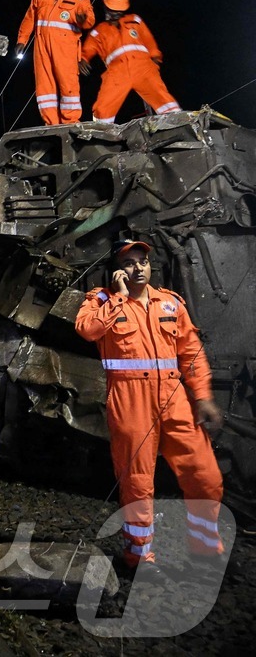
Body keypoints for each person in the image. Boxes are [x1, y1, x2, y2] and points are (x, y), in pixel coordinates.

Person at [74, 238, 225, 571]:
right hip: (130, 401)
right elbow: (87, 330)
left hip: (175, 400)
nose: (138, 267)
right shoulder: (100, 302)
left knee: (206, 477)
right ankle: (139, 557)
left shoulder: (170, 304)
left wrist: (202, 396)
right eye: (129, 263)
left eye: (142, 261)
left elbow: (191, 353)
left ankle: (204, 549)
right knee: (138, 483)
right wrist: (120, 299)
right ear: (116, 270)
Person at [80, 0, 182, 123]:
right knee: (104, 105)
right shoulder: (98, 31)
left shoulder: (135, 20)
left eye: (118, 11)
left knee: (161, 96)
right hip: (117, 71)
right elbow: (87, 49)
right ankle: (101, 131)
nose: (115, 14)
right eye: (112, 10)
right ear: (105, 6)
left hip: (143, 66)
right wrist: (82, 59)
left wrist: (155, 57)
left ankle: (178, 123)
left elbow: (148, 40)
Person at [16, 0, 95, 125]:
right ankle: (51, 124)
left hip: (66, 48)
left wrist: (82, 19)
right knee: (45, 88)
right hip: (41, 47)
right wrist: (22, 40)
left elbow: (89, 21)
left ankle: (71, 121)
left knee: (68, 85)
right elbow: (29, 18)